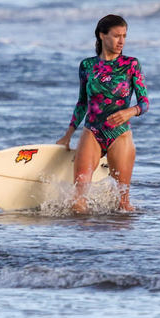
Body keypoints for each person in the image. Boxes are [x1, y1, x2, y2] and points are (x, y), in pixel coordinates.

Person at [57, 14, 149, 212]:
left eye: (124, 36)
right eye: (116, 36)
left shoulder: (131, 65)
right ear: (102, 35)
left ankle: (118, 242)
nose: (121, 41)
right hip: (92, 132)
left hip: (120, 134)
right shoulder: (87, 66)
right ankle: (85, 241)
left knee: (123, 204)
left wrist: (130, 112)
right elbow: (82, 102)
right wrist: (68, 135)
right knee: (78, 201)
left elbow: (144, 102)